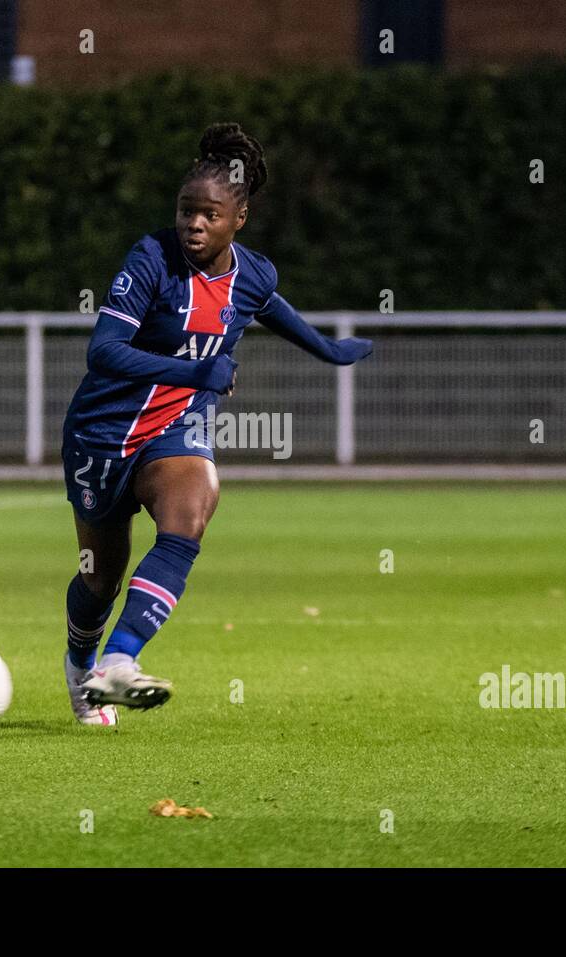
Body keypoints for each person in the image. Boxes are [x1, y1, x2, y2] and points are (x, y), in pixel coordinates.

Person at [60, 122, 374, 725]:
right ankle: (81, 666)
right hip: (101, 433)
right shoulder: (150, 259)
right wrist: (192, 370)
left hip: (171, 432)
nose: (194, 225)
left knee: (194, 507)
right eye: (185, 211)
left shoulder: (253, 273)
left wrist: (327, 350)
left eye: (208, 214)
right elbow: (102, 350)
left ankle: (120, 662)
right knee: (99, 579)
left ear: (239, 219)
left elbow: (271, 309)